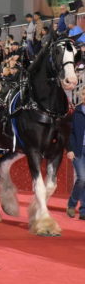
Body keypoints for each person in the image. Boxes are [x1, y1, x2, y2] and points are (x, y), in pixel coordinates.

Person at [67, 86, 85, 220]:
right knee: (82, 178)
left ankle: (83, 211)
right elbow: (69, 133)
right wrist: (70, 149)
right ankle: (72, 204)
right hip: (78, 150)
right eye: (83, 93)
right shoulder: (76, 112)